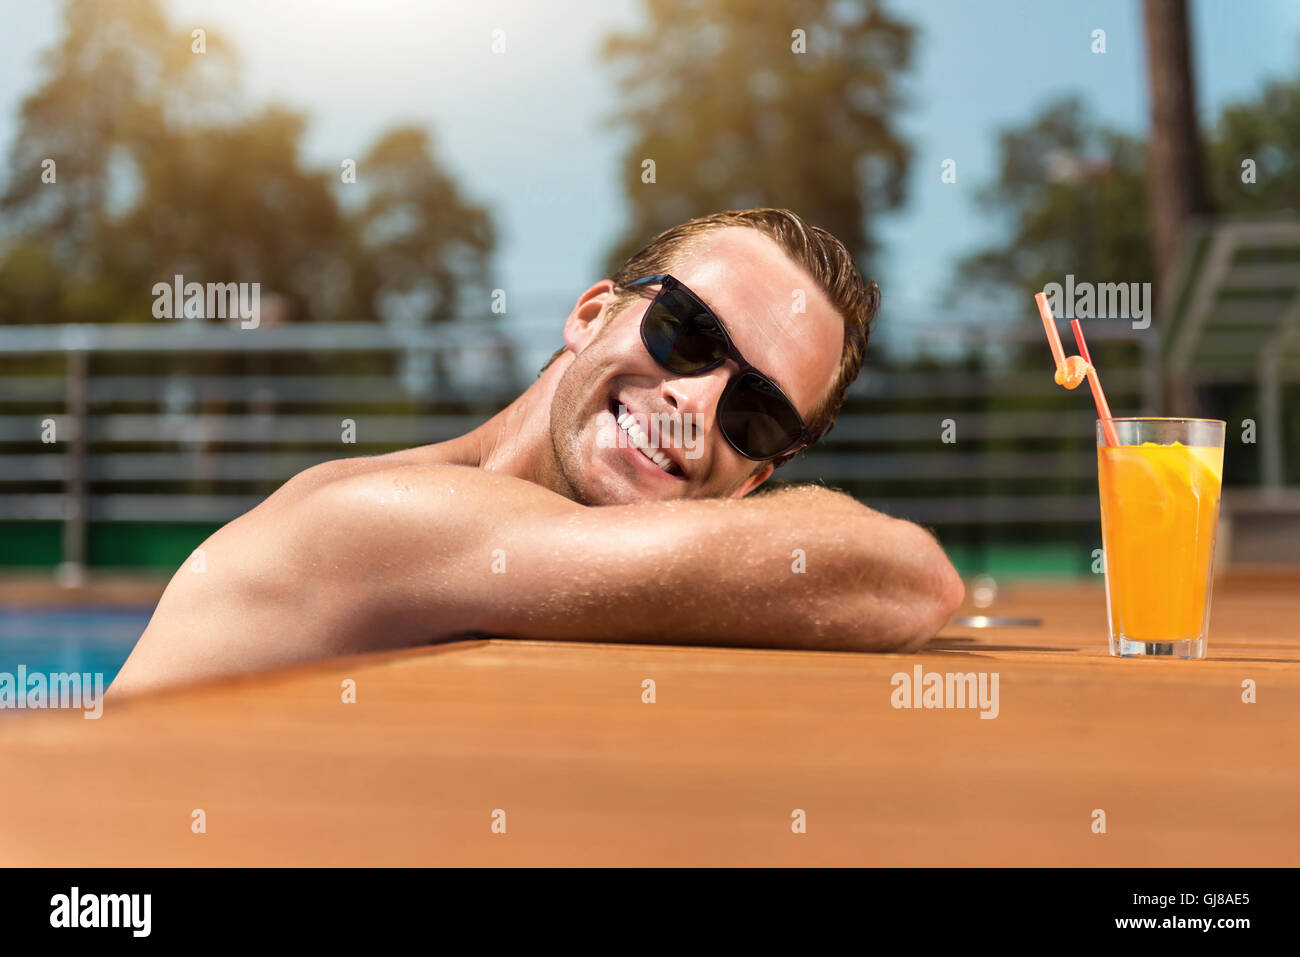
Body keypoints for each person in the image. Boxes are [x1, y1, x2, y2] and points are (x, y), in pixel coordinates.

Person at [107, 208, 964, 697]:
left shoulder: (538, 572)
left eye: (758, 415)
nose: (695, 407)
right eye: (688, 332)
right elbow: (904, 578)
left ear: (755, 480)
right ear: (590, 315)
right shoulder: (381, 518)